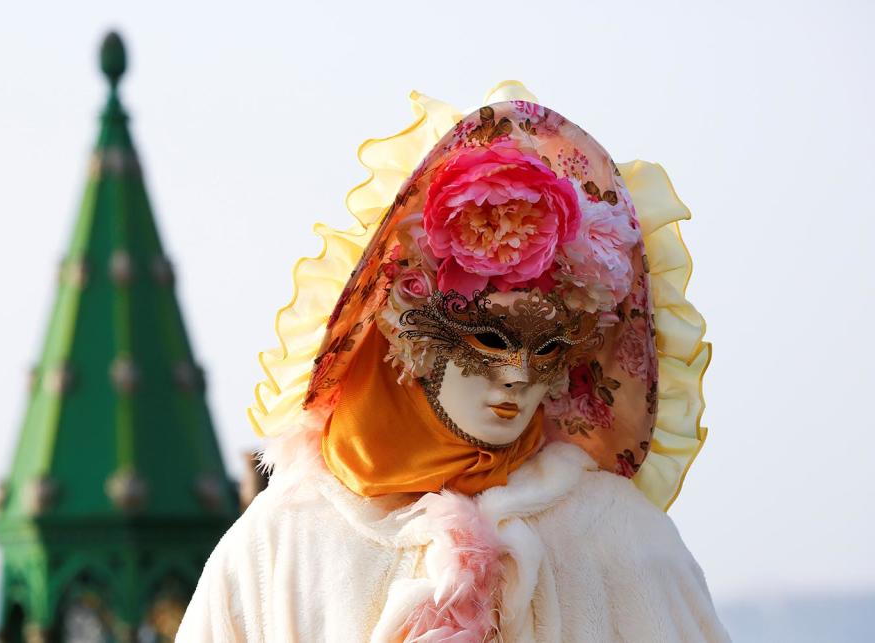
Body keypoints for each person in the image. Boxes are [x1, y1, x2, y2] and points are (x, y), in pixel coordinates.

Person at [177, 82, 729, 642]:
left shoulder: (622, 540)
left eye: (546, 349)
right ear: (410, 327)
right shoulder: (283, 543)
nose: (517, 375)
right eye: (489, 337)